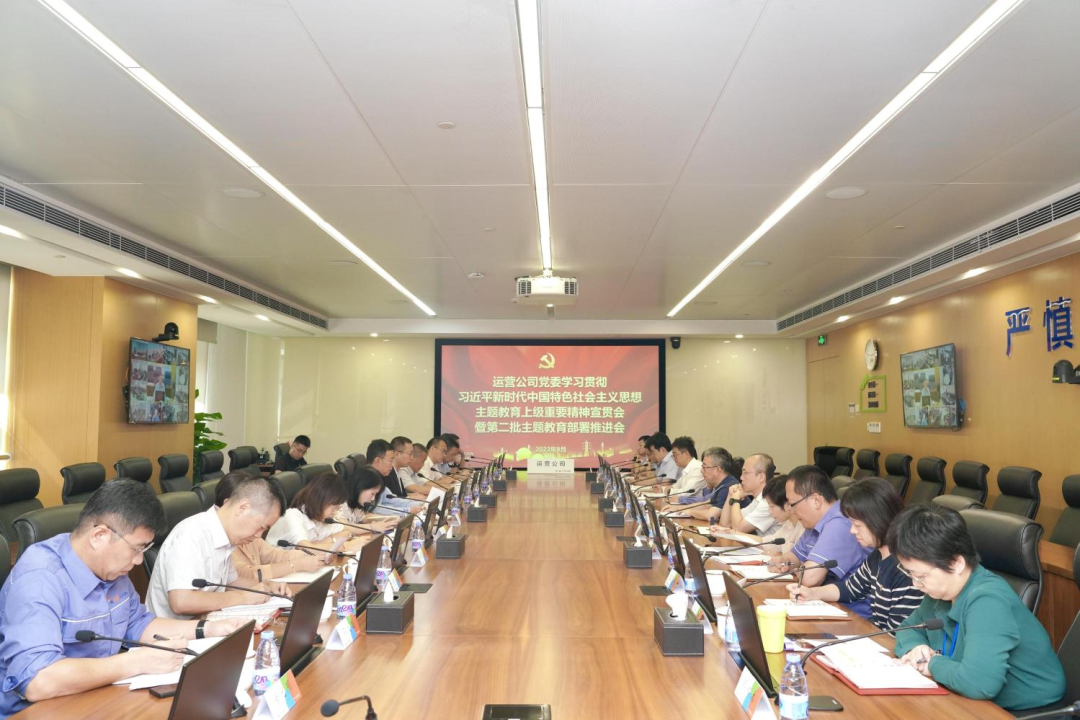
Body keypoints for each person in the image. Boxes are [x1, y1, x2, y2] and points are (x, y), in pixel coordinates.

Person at [0, 480, 248, 715]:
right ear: (99, 536)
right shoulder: (40, 580)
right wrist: (136, 662)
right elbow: (38, 680)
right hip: (37, 711)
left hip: (94, 696)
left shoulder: (109, 568)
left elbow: (139, 624)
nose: (139, 560)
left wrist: (208, 629)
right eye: (136, 548)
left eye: (144, 549)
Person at [891, 504, 1065, 711]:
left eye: (920, 576)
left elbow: (978, 683)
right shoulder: (941, 592)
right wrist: (915, 648)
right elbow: (908, 628)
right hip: (965, 697)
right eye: (911, 574)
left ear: (956, 563)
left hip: (1026, 711)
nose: (915, 584)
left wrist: (932, 664)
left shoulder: (988, 600)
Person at [147, 475, 291, 620]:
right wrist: (242, 597)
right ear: (243, 508)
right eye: (261, 527)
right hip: (176, 631)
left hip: (207, 623)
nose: (259, 535)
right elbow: (181, 601)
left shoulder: (225, 537)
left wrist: (267, 586)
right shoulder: (191, 534)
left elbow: (231, 582)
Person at [788, 477, 922, 628]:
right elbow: (850, 589)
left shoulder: (906, 569)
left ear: (878, 520)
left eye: (857, 525)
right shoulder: (877, 556)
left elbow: (899, 632)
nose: (852, 531)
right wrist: (812, 594)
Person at [769, 465, 871, 615]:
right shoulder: (815, 522)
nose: (791, 510)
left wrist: (795, 567)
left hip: (853, 613)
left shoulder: (839, 522)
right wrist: (782, 561)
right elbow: (793, 557)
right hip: (826, 604)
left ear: (816, 500)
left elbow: (809, 579)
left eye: (793, 504)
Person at [214, 473, 329, 581]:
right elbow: (245, 574)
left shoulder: (249, 531)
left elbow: (274, 555)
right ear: (237, 506)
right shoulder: (217, 537)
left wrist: (310, 555)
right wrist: (296, 565)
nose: (259, 535)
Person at [266, 472, 350, 548]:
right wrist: (333, 542)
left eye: (337, 508)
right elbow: (309, 549)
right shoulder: (292, 517)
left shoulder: (319, 518)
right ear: (320, 499)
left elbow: (347, 532)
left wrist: (326, 540)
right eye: (334, 507)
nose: (334, 512)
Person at [711, 453, 779, 537]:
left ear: (761, 477)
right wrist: (730, 494)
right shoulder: (757, 500)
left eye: (745, 473)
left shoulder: (768, 503)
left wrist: (735, 499)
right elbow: (725, 524)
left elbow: (738, 529)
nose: (741, 478)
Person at [661, 446, 736, 518]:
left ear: (717, 470)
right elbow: (705, 504)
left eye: (704, 467)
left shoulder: (727, 487)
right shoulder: (721, 484)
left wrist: (690, 512)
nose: (701, 471)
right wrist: (677, 508)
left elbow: (710, 515)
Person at [368, 439, 422, 515]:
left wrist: (422, 504)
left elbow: (394, 500)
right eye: (390, 460)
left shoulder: (378, 478)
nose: (392, 464)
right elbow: (375, 509)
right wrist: (407, 510)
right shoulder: (367, 479)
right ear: (378, 460)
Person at [759, 474, 803, 555]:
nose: (770, 511)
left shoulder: (804, 527)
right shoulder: (789, 523)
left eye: (772, 506)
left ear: (788, 503)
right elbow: (770, 543)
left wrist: (781, 557)